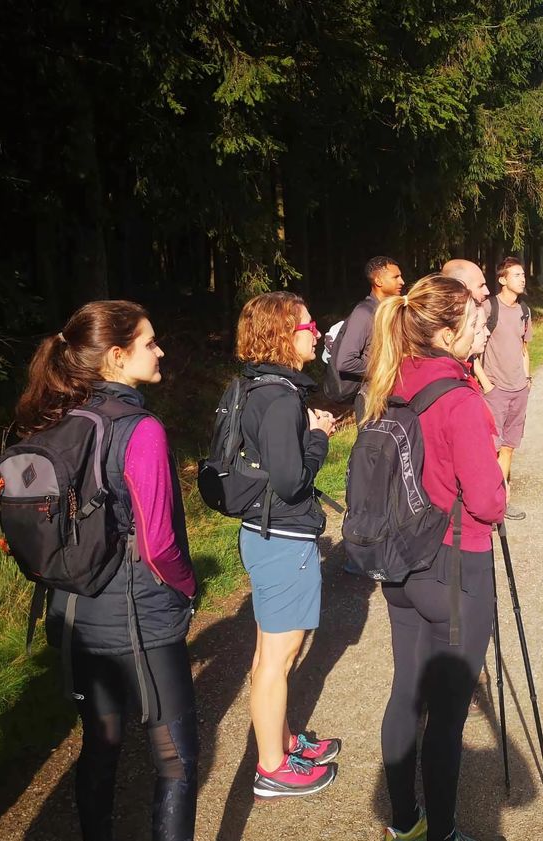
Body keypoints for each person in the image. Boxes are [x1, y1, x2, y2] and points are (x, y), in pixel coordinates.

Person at [14, 300, 198, 841]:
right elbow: (160, 543)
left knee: (101, 742)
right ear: (116, 357)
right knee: (176, 760)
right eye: (149, 343)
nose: (160, 350)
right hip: (141, 616)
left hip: (74, 607)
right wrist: (187, 589)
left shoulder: (55, 417)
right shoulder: (141, 429)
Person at [362, 275, 506, 841]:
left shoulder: (391, 382)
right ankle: (442, 834)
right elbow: (489, 502)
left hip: (401, 561)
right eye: (474, 322)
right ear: (446, 333)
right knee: (446, 717)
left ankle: (405, 824)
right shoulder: (461, 402)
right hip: (456, 568)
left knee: (406, 693)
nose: (483, 328)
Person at [234, 291, 340, 798]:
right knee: (279, 655)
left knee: (268, 652)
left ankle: (283, 739)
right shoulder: (278, 399)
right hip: (281, 536)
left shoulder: (261, 387)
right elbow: (292, 480)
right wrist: (318, 434)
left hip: (265, 531)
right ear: (282, 332)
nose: (315, 332)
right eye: (308, 324)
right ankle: (272, 768)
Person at [475, 257, 533, 520]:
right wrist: (486, 385)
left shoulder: (525, 311)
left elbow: (524, 348)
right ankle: (485, 502)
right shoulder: (488, 307)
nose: (522, 279)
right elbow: (472, 349)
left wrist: (527, 379)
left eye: (523, 275)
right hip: (494, 390)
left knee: (508, 447)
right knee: (489, 447)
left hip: (519, 389)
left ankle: (501, 501)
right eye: (517, 275)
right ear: (502, 279)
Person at [323, 256, 405, 405]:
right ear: (378, 281)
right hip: (367, 400)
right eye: (396, 277)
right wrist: (385, 369)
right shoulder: (364, 313)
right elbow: (346, 362)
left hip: (382, 396)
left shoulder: (386, 312)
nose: (402, 281)